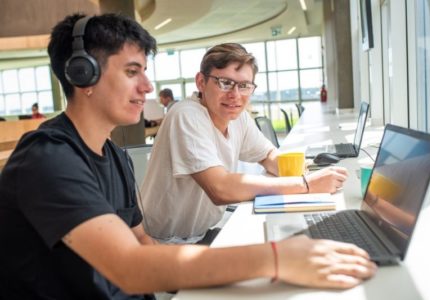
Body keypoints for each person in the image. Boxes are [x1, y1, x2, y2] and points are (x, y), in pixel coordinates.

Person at [0, 14, 376, 299]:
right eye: (132, 72)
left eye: (145, 72)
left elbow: (140, 242)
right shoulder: (47, 159)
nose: (148, 87)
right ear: (83, 76)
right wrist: (278, 256)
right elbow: (130, 268)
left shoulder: (113, 155)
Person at [140, 43, 350, 244]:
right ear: (201, 82)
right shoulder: (186, 115)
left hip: (202, 233)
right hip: (166, 243)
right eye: (225, 83)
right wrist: (306, 186)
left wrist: (302, 173)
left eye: (244, 86)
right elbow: (220, 188)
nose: (235, 95)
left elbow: (268, 156)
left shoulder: (237, 117)